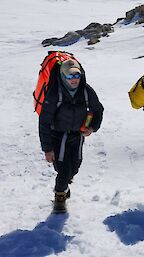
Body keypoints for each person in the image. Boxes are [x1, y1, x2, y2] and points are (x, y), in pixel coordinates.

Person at [39, 59, 104, 212]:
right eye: (69, 76)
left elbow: (98, 110)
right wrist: (48, 149)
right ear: (62, 76)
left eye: (76, 75)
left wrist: (92, 127)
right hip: (58, 136)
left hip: (77, 135)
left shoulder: (86, 90)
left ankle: (64, 185)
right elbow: (44, 122)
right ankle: (60, 197)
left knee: (74, 168)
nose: (74, 80)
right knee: (63, 170)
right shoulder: (55, 93)